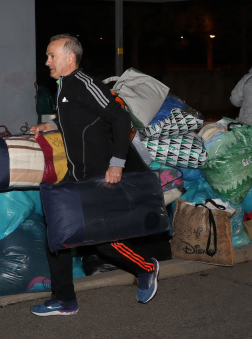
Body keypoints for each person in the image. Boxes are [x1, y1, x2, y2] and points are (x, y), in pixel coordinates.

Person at [28, 34, 159, 316]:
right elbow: (74, 122)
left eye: (52, 56)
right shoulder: (63, 88)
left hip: (100, 174)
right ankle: (64, 300)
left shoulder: (85, 84)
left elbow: (120, 117)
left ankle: (147, 267)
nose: (47, 61)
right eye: (48, 56)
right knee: (58, 235)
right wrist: (48, 127)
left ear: (69, 58)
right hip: (77, 175)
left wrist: (117, 163)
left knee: (102, 241)